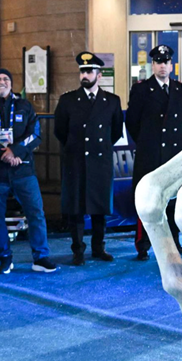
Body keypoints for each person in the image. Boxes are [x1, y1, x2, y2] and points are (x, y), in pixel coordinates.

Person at [0, 68, 56, 274]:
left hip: (23, 170)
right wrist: (4, 153)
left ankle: (40, 257)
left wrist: (15, 151)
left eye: (6, 79)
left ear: (11, 84)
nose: (2, 81)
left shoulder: (24, 106)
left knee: (36, 213)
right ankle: (4, 258)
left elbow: (35, 134)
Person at [54, 52, 124, 265]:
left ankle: (98, 248)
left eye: (89, 71)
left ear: (99, 75)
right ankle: (78, 250)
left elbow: (116, 132)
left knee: (99, 209)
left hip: (100, 161)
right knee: (76, 209)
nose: (85, 75)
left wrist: (99, 147)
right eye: (82, 71)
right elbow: (60, 131)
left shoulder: (111, 101)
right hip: (75, 161)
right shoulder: (67, 100)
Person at [125, 45, 182, 261]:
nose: (162, 66)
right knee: (148, 200)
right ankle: (143, 244)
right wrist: (147, 143)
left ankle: (175, 241)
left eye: (166, 62)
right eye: (159, 62)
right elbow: (132, 122)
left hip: (172, 154)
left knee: (172, 200)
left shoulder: (179, 89)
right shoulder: (141, 89)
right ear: (153, 65)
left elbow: (178, 121)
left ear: (171, 66)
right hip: (150, 155)